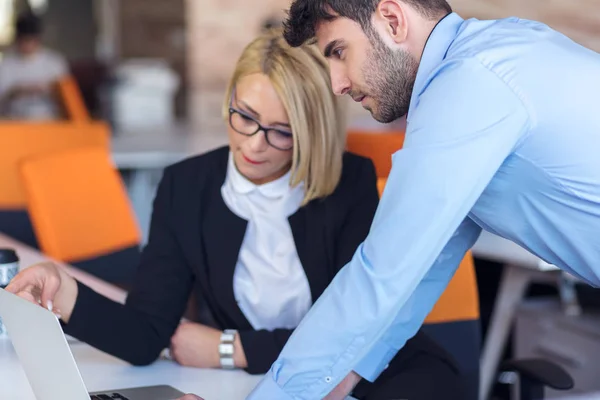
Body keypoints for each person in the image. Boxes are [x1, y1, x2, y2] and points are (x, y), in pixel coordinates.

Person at [7, 29, 465, 400]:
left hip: (377, 376)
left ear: (310, 132)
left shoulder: (350, 183)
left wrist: (231, 348)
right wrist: (66, 295)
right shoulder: (187, 188)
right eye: (243, 116)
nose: (252, 144)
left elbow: (350, 332)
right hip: (260, 385)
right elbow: (147, 333)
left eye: (280, 132)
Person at [205, 0, 600, 399]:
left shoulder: (471, 83)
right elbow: (423, 267)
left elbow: (380, 271)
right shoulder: (490, 55)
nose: (336, 83)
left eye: (339, 52)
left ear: (392, 20)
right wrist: (344, 376)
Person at [0, 12, 68, 120]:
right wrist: (18, 91)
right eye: (23, 40)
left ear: (38, 39)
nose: (27, 45)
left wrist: (47, 90)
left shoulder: (54, 62)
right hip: (16, 123)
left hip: (50, 122)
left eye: (30, 40)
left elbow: (67, 97)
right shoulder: (6, 64)